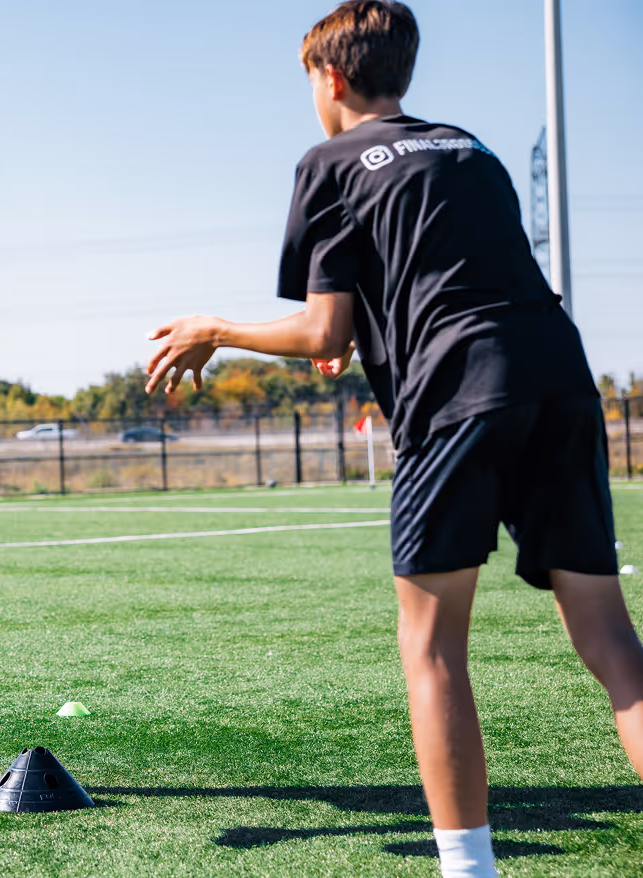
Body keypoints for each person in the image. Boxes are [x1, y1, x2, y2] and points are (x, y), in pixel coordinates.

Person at [145, 3, 643, 876]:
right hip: (559, 376)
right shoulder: (467, 146)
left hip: (457, 392)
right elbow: (440, 273)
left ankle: (467, 866)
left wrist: (213, 328)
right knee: (609, 640)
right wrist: (374, 334)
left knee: (433, 644)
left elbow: (321, 333)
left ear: (328, 78)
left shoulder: (327, 161)